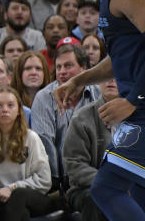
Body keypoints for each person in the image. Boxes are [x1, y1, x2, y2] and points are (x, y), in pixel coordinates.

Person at [54, 0, 145, 220]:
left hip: (141, 105)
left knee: (107, 188)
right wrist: (80, 79)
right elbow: (120, 57)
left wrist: (134, 99)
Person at [32, 42, 100, 187]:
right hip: (57, 179)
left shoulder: (99, 93)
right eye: (58, 67)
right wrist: (57, 183)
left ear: (84, 68)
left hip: (95, 173)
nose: (62, 71)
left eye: (68, 66)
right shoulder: (44, 97)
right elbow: (45, 144)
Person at [0, 86, 55, 221]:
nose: (5, 109)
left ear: (18, 111)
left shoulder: (31, 137)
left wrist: (11, 188)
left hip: (32, 196)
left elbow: (44, 180)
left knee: (18, 196)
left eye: (10, 105)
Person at [62, 78, 118, 221]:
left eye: (117, 75)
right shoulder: (82, 117)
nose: (111, 80)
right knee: (97, 197)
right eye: (106, 76)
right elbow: (75, 165)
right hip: (87, 188)